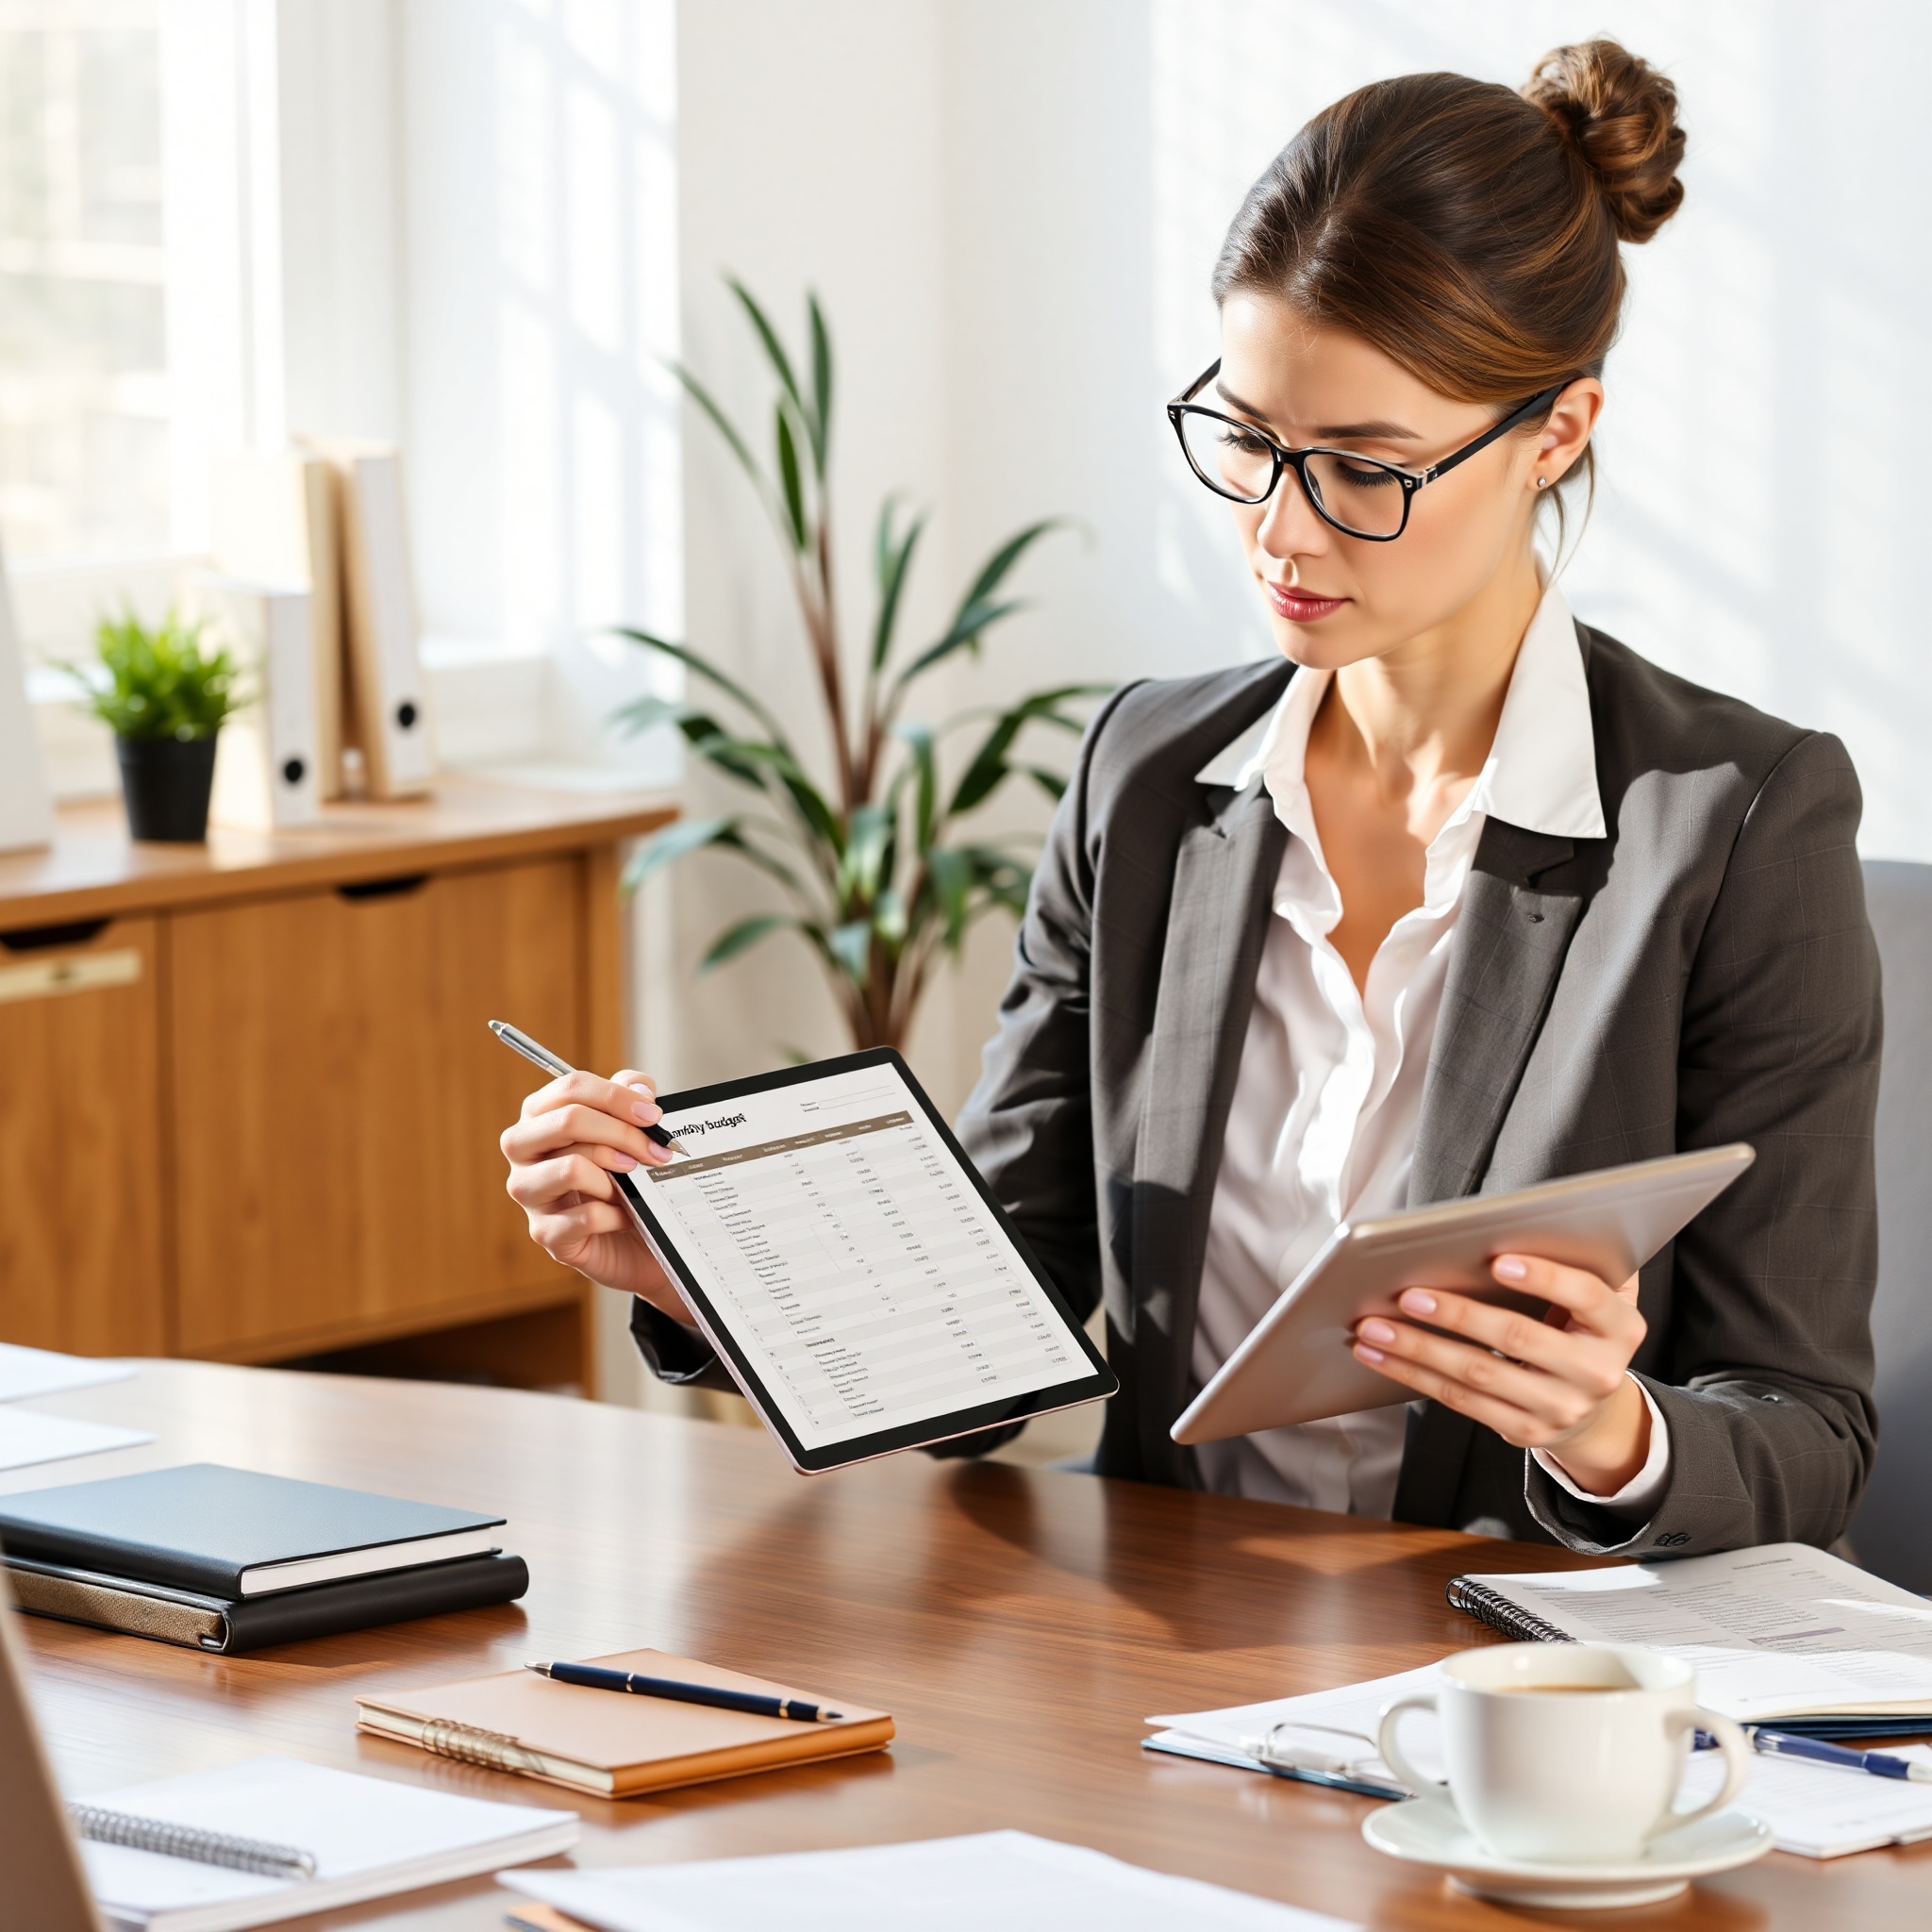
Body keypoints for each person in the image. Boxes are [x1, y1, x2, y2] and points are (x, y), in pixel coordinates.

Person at [501, 40, 1880, 1558]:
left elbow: (1807, 1433)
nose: (1282, 529)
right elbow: (999, 1312)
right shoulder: (1150, 777)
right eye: (1250, 440)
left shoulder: (1734, 823)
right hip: (1171, 1638)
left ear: (1556, 432)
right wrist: (704, 1270)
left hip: (1520, 1661)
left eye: (1366, 467)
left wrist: (1605, 1429)